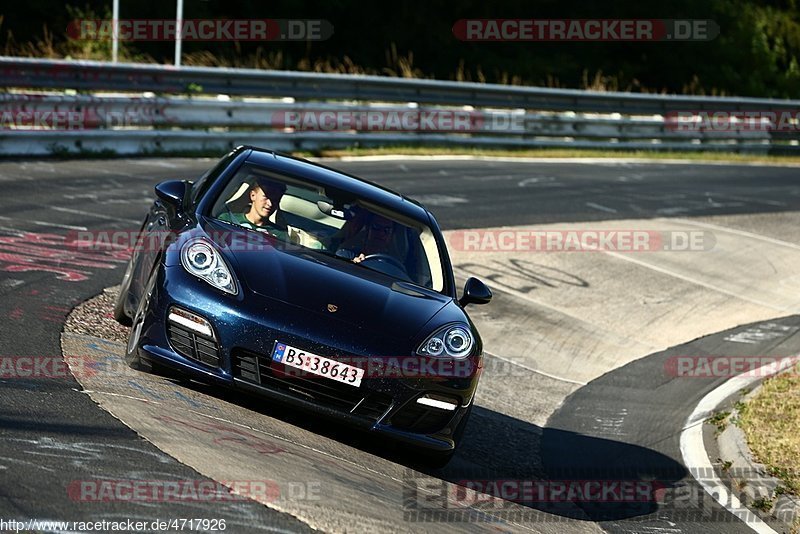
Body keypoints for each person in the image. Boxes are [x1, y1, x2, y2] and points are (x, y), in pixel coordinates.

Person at [219, 177, 289, 240]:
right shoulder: (227, 220)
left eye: (275, 200)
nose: (270, 204)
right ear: (253, 195)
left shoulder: (280, 235)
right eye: (266, 197)